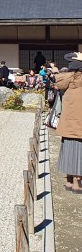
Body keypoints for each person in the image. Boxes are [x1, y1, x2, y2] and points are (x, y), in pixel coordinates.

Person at [57, 53, 82, 193]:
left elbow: (58, 78)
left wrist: (75, 56)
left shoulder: (66, 81)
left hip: (68, 124)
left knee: (67, 150)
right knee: (80, 152)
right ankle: (78, 183)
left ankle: (69, 181)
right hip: (80, 125)